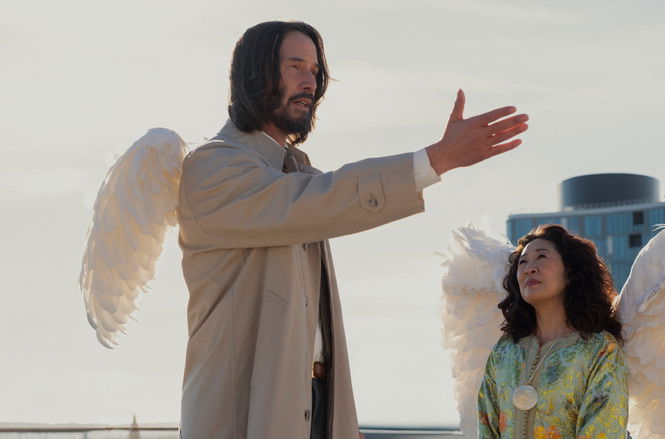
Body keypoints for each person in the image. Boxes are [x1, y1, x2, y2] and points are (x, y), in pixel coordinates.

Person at [176, 21, 529, 439]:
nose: (310, 83)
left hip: (314, 405)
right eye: (295, 67)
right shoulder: (213, 167)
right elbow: (322, 198)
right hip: (240, 414)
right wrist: (435, 160)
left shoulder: (293, 173)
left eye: (315, 71)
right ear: (255, 74)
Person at [477, 225, 627, 439]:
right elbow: (486, 427)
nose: (529, 268)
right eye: (523, 262)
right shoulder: (504, 350)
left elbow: (604, 431)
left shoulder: (600, 349)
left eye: (541, 256)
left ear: (570, 273)